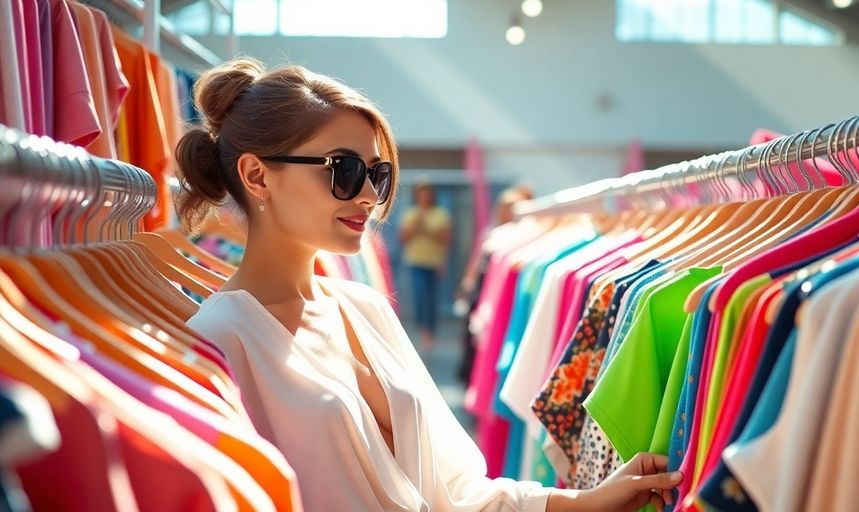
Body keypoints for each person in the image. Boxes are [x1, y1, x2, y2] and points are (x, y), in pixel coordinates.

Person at [177, 57, 681, 512]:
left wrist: (587, 502)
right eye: (344, 170)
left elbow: (457, 493)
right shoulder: (219, 341)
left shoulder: (364, 308)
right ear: (257, 176)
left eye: (377, 173)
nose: (369, 195)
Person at [455, 185, 533, 383]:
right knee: (473, 339)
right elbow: (475, 262)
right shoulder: (493, 234)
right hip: (482, 292)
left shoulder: (518, 237)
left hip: (495, 295)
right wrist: (467, 285)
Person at [399, 182, 451, 351]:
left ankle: (431, 329)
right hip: (415, 261)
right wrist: (417, 224)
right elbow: (403, 238)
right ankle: (423, 330)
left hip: (434, 262)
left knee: (431, 298)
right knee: (420, 295)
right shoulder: (411, 213)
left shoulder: (440, 214)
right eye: (421, 193)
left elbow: (445, 240)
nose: (425, 196)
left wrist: (443, 262)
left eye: (427, 193)